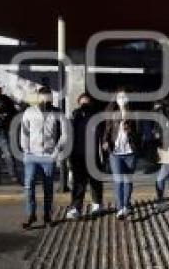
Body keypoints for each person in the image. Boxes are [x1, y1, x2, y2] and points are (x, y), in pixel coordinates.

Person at [20, 86, 66, 229]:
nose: (45, 99)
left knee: (48, 188)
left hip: (48, 155)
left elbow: (65, 134)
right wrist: (25, 149)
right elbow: (24, 131)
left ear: (51, 98)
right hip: (32, 155)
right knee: (29, 186)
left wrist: (56, 151)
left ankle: (47, 216)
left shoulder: (58, 113)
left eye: (48, 97)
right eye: (43, 97)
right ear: (38, 97)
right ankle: (31, 215)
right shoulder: (29, 111)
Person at [102, 89, 143, 220]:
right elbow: (107, 131)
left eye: (124, 96)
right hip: (115, 152)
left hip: (130, 152)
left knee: (127, 181)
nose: (122, 99)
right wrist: (105, 142)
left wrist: (130, 130)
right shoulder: (112, 114)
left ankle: (126, 205)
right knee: (118, 181)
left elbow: (139, 134)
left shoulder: (134, 115)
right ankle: (120, 208)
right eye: (120, 97)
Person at [66, 92, 103, 220]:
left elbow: (101, 133)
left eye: (87, 102)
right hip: (77, 155)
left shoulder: (96, 116)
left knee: (95, 181)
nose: (85, 104)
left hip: (93, 154)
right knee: (78, 183)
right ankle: (76, 207)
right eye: (82, 102)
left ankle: (97, 204)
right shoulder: (73, 116)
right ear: (78, 103)